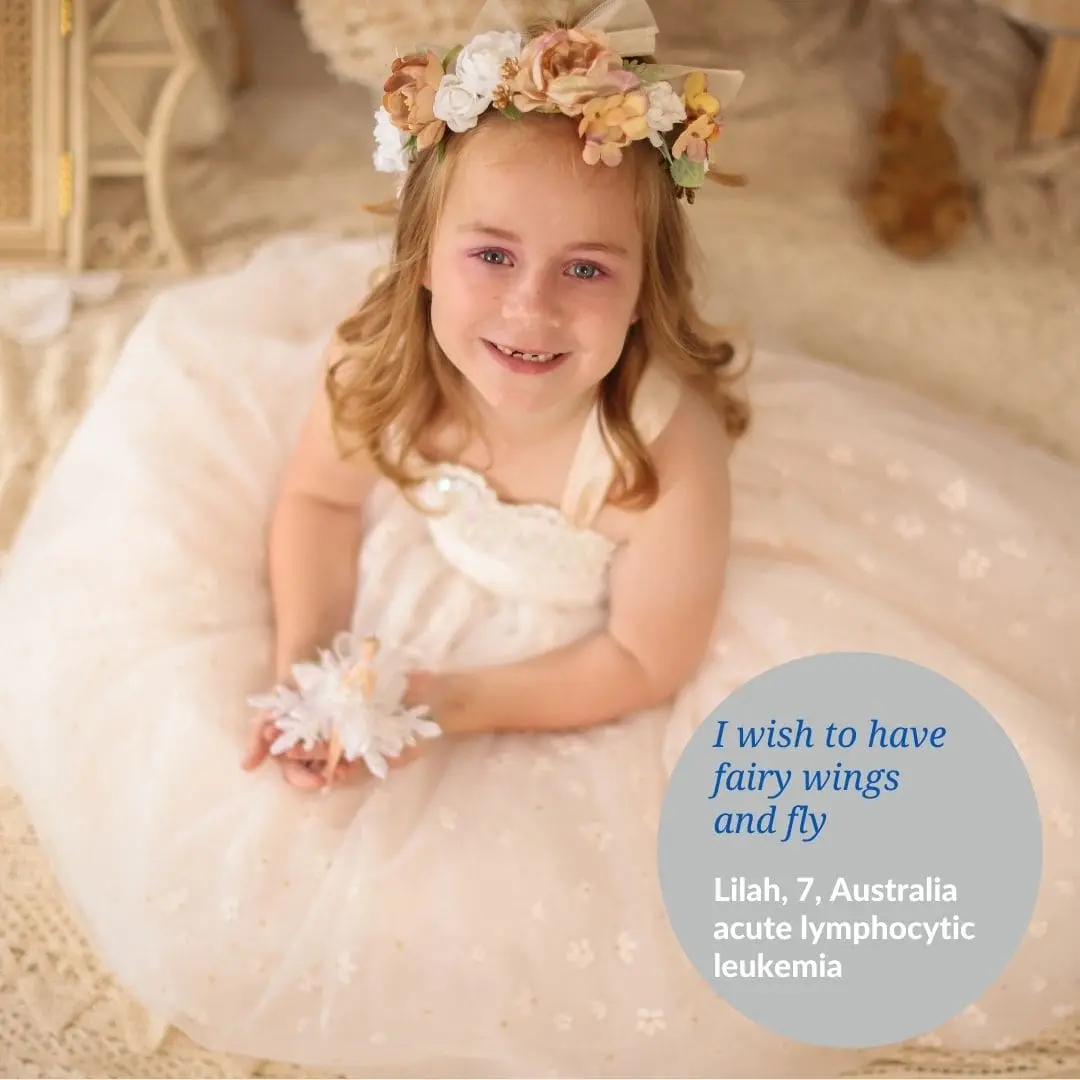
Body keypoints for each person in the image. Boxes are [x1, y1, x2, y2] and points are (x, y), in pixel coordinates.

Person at [0, 3, 1076, 1076]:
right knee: (215, 810)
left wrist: (442, 703)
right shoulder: (375, 372)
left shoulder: (662, 457)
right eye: (493, 254)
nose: (531, 310)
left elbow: (646, 657)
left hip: (586, 658)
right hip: (425, 576)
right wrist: (306, 671)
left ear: (646, 290)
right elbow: (320, 504)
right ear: (422, 254)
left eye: (588, 270)